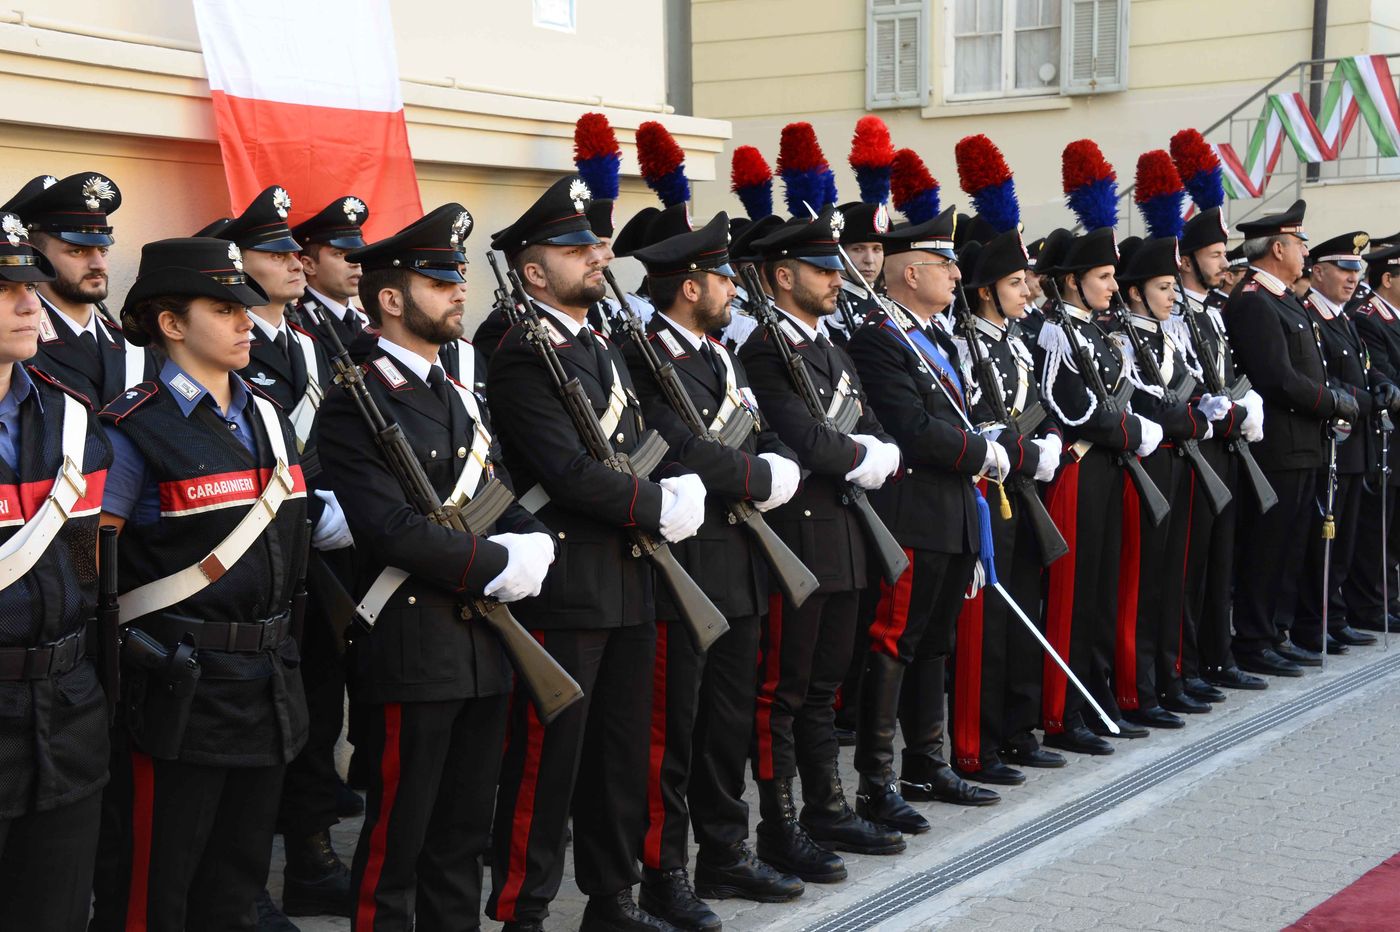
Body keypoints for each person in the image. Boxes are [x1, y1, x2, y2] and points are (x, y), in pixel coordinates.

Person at [317, 203, 554, 931]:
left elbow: (494, 492)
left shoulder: (453, 391)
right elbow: (388, 530)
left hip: (485, 647)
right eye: (439, 279)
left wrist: (532, 540)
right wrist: (494, 564)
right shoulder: (357, 402)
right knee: (400, 839)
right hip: (412, 648)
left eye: (458, 276)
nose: (458, 290)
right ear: (390, 300)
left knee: (460, 837)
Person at [485, 175, 708, 932]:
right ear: (532, 270)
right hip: (569, 578)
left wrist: (680, 484)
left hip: (631, 571)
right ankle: (525, 910)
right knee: (549, 761)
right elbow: (566, 471)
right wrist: (660, 503)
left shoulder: (600, 343)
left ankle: (612, 901)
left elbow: (641, 440)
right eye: (576, 248)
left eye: (597, 245)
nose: (597, 256)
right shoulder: (520, 351)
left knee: (620, 754)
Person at [96, 236, 310, 929]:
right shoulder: (132, 430)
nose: (247, 320)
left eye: (245, 304)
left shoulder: (269, 418)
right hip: (179, 690)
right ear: (170, 323)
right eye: (223, 307)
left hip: (269, 683)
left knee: (236, 887)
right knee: (157, 890)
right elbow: (93, 573)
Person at [621, 213, 805, 926]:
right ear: (689, 285)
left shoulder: (720, 357)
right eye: (724, 277)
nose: (734, 288)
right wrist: (759, 474)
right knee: (673, 733)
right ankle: (663, 872)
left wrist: (765, 465)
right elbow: (676, 451)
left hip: (739, 562)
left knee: (726, 724)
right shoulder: (641, 358)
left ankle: (724, 852)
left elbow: (749, 432)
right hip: (682, 567)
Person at [739, 205, 905, 881]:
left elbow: (872, 424)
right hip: (797, 540)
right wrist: (860, 453)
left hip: (844, 535)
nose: (838, 279)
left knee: (824, 689)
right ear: (783, 276)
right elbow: (803, 441)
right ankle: (779, 824)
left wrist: (874, 453)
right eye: (822, 269)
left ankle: (827, 805)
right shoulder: (762, 351)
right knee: (783, 690)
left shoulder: (830, 346)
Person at [212, 185, 358, 922]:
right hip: (266, 547)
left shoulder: (310, 340)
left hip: (330, 545)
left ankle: (311, 854)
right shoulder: (233, 343)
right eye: (274, 253)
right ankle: (278, 864)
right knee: (276, 715)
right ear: (238, 264)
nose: (295, 261)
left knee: (319, 708)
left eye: (295, 250)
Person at [843, 206, 1006, 822]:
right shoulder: (879, 339)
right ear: (910, 273)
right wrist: (981, 452)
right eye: (946, 265)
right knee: (894, 643)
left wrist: (988, 443)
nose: (957, 276)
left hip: (953, 510)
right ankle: (876, 781)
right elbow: (910, 429)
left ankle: (926, 764)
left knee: (935, 643)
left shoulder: (934, 338)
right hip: (911, 512)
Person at [0, 212, 113, 931]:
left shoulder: (70, 418)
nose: (26, 301)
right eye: (3, 288)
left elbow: (81, 561)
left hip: (66, 710)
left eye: (29, 285)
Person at [1034, 227, 1163, 754]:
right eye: (1103, 277)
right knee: (1074, 598)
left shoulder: (1095, 334)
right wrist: (1132, 430)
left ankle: (1097, 696)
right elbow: (1071, 409)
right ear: (1072, 282)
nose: (1113, 287)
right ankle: (1063, 711)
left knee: (1104, 592)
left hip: (1110, 471)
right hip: (1081, 471)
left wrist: (1131, 425)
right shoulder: (1057, 334)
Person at [949, 228, 1066, 781]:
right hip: (986, 485)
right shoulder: (962, 342)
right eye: (1016, 283)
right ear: (985, 291)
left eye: (1026, 280)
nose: (1028, 291)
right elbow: (971, 418)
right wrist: (1019, 447)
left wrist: (1048, 445)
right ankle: (978, 744)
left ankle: (1019, 727)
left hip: (1022, 484)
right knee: (987, 620)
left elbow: (1040, 407)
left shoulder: (1018, 341)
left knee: (1024, 606)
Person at [1226, 200, 1358, 677]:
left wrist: (1338, 396)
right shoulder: (1253, 301)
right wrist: (1334, 403)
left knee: (1288, 546)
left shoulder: (1283, 299)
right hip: (1277, 447)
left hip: (1304, 444)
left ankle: (1274, 632)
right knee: (1266, 548)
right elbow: (1278, 378)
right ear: (1277, 248)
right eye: (1300, 243)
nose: (1305, 251)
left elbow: (1310, 369)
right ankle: (1255, 638)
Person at [1111, 237, 1224, 729]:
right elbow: (1147, 407)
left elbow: (1191, 394)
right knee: (1143, 584)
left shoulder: (1168, 337)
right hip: (1146, 468)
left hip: (1177, 464)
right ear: (1134, 293)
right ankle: (1137, 688)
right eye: (1162, 287)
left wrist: (1203, 412)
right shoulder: (1119, 341)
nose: (1172, 296)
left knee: (1173, 578)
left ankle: (1168, 674)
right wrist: (1191, 419)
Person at [1173, 208, 1267, 694]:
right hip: (1199, 446)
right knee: (1194, 562)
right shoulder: (1176, 314)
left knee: (1221, 557)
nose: (1222, 262)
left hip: (1227, 444)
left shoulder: (1211, 309)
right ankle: (1187, 663)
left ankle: (1217, 653)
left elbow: (1226, 372)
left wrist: (1245, 399)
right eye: (1213, 255)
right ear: (1186, 261)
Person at [1291, 232, 1394, 655]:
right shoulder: (1311, 315)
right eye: (1343, 269)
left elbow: (1365, 370)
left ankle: (1335, 616)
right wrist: (1368, 398)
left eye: (1355, 270)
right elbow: (1323, 379)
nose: (1352, 278)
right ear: (1318, 272)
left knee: (1346, 537)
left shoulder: (1343, 317)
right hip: (1332, 440)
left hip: (1357, 443)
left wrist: (1382, 384)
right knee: (1323, 540)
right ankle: (1314, 622)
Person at [1, 172, 152, 405]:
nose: (98, 265)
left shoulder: (132, 347)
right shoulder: (17, 343)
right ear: (34, 253)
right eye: (77, 251)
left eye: (102, 251)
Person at [1345, 243, 1400, 632]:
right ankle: (1372, 605)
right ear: (1387, 279)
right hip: (1385, 441)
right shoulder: (1369, 318)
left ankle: (1389, 600)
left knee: (1394, 530)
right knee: (1377, 529)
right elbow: (1384, 376)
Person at [291, 195, 375, 360]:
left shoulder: (369, 321)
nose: (355, 262)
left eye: (357, 253)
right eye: (340, 254)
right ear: (309, 265)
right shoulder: (296, 325)